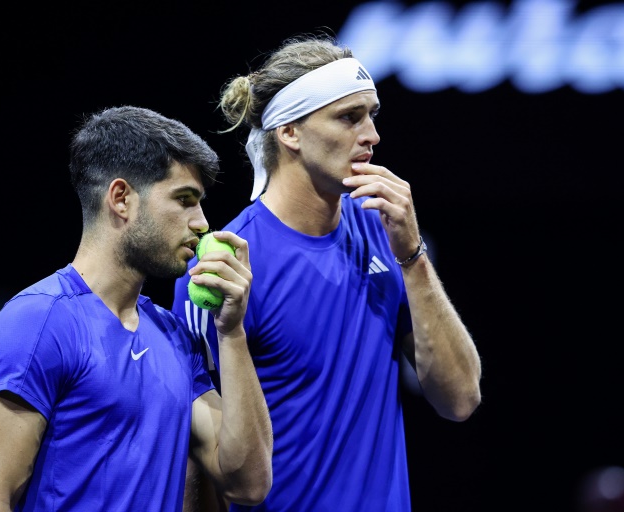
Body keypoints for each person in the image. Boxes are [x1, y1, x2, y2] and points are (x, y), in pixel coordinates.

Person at [172, 33, 482, 511]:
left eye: (372, 115)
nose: (372, 135)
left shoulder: (385, 231)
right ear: (290, 133)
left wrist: (414, 256)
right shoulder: (221, 267)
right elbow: (202, 463)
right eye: (349, 117)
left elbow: (459, 398)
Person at [0, 106, 273, 512]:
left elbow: (248, 484)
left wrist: (231, 332)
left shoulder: (177, 337)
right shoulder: (34, 325)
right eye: (184, 200)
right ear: (121, 199)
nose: (202, 224)